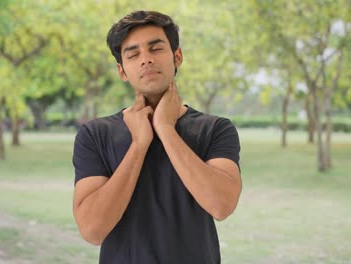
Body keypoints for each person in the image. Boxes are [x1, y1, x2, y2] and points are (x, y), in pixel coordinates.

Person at [72, 10, 242, 264]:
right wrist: (139, 144)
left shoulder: (215, 129)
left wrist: (165, 129)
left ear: (177, 56)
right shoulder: (95, 134)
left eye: (156, 49)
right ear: (122, 71)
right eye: (133, 54)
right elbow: (92, 230)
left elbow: (222, 205)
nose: (146, 60)